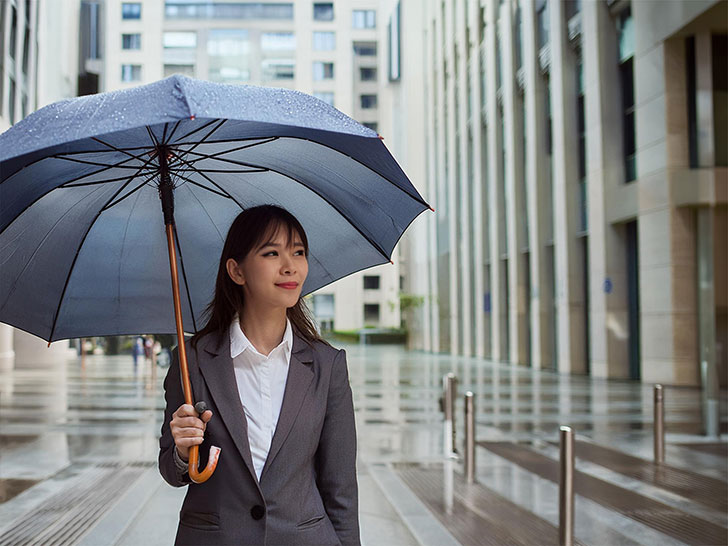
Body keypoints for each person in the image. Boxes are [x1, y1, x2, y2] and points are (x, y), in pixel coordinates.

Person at [158, 205, 360, 546]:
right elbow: (171, 469)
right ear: (237, 271)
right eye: (272, 252)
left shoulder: (327, 365)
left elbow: (340, 489)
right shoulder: (193, 361)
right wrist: (181, 450)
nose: (290, 265)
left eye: (298, 252)